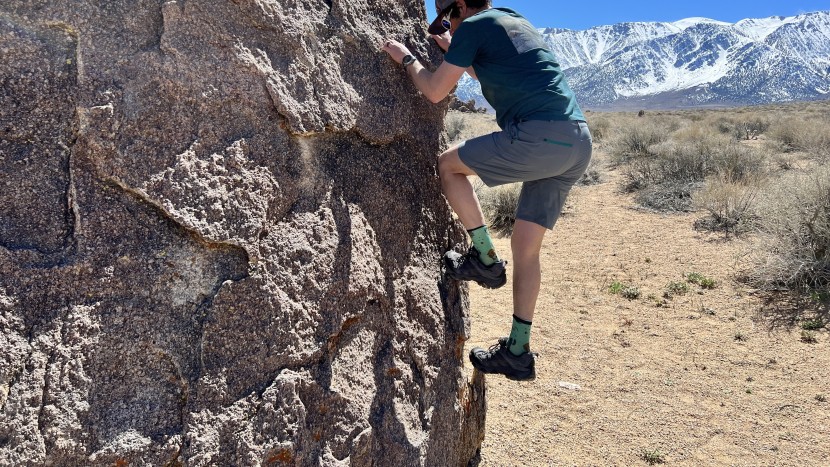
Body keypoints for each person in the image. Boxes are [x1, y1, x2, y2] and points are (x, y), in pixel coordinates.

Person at [382, 0, 591, 381]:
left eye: (448, 18)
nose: (448, 26)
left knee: (448, 165)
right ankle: (517, 351)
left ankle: (484, 259)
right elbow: (497, 70)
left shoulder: (475, 27)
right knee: (527, 250)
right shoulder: (512, 19)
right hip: (576, 141)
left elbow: (433, 90)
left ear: (461, 6)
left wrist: (406, 57)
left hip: (538, 135)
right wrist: (453, 48)